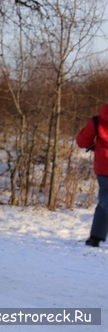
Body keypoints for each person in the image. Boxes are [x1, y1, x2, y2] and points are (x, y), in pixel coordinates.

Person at [76, 104, 108, 247]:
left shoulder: (97, 121)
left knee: (105, 198)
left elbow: (82, 141)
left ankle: (95, 238)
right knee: (104, 199)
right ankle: (95, 237)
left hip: (103, 167)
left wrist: (93, 144)